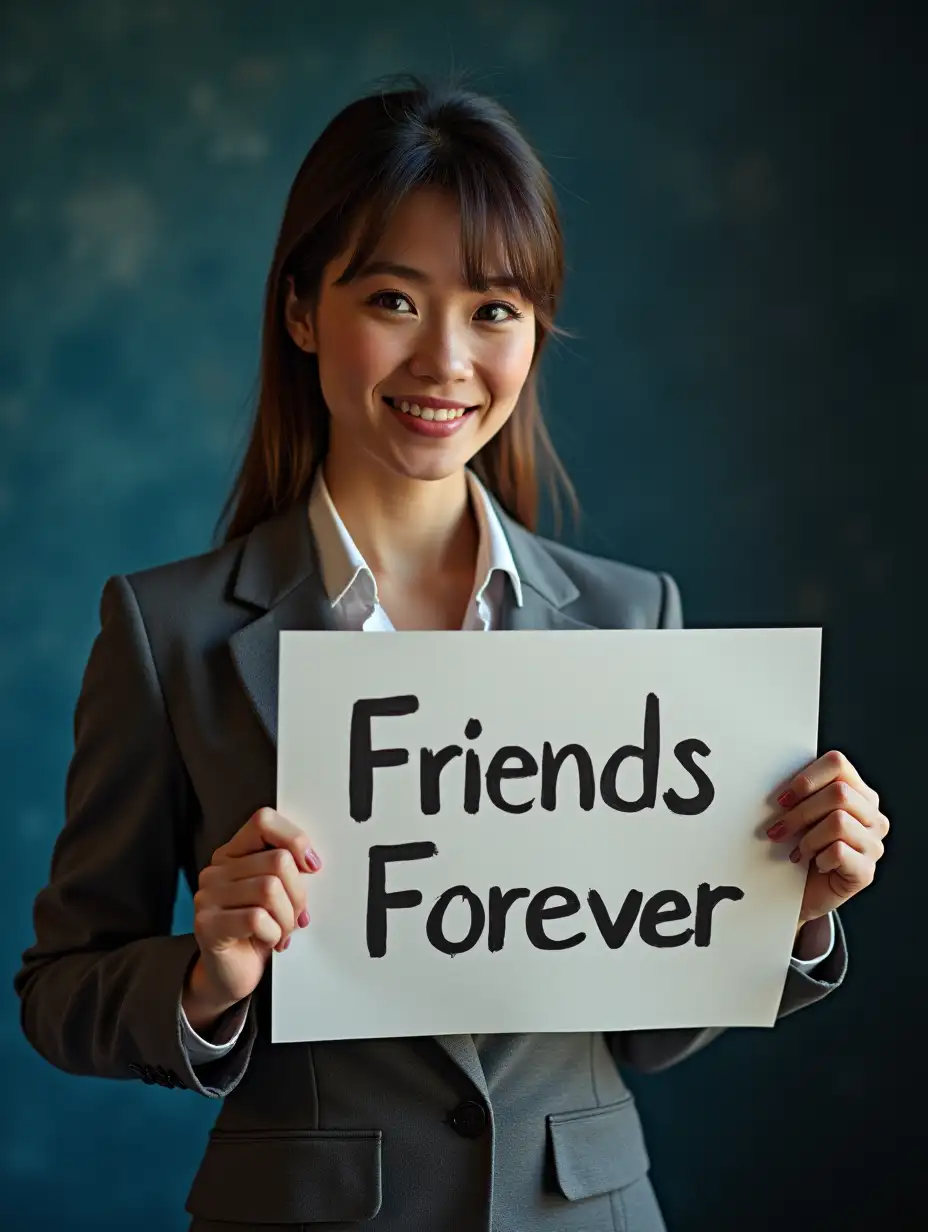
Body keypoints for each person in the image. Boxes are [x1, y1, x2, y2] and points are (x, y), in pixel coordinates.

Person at [14, 80, 889, 1232]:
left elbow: (645, 1030)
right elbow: (60, 987)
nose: (445, 359)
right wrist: (206, 975)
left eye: (494, 309)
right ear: (299, 309)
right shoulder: (166, 630)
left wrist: (788, 905)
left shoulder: (634, 619)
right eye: (392, 298)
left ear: (535, 331)